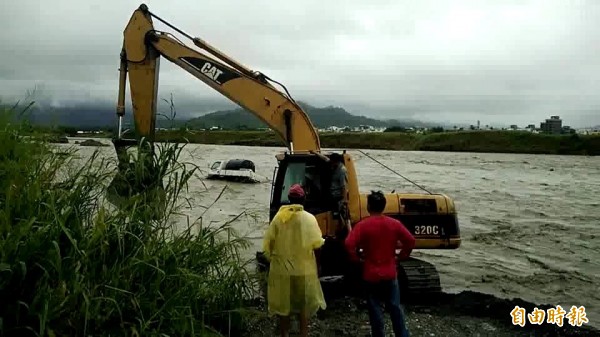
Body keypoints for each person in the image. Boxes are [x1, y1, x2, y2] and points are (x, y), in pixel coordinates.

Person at [344, 190, 415, 337]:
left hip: (371, 273)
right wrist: (401, 256)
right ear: (383, 206)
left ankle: (379, 334)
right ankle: (402, 334)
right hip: (390, 272)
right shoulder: (394, 224)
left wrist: (357, 259)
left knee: (375, 308)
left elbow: (348, 243)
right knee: (395, 306)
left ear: (369, 206)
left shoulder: (363, 225)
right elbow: (410, 240)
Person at [262, 184, 327, 337]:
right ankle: (303, 334)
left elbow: (268, 245)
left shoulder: (279, 218)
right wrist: (318, 267)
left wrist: (271, 260)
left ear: (289, 199)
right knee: (303, 306)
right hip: (304, 271)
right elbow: (317, 245)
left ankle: (285, 334)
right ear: (304, 199)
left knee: (284, 306)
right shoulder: (310, 219)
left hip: (282, 271)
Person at [309, 150, 352, 233]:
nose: (331, 165)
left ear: (337, 162)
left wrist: (344, 200)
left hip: (338, 197)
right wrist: (315, 152)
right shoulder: (332, 163)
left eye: (333, 163)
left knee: (345, 217)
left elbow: (344, 187)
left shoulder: (342, 171)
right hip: (331, 195)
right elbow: (325, 158)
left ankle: (349, 233)